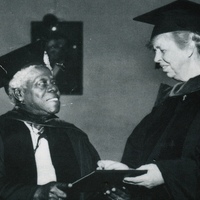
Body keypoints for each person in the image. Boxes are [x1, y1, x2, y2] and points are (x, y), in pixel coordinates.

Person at [98, 1, 200, 199]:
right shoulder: (169, 101)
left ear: (189, 48)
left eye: (162, 50)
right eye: (154, 51)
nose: (156, 59)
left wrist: (165, 174)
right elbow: (142, 154)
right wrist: (128, 173)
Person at [0, 41, 100, 200]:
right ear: (19, 94)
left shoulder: (73, 135)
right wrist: (37, 193)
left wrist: (111, 193)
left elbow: (91, 188)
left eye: (53, 82)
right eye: (42, 83)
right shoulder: (3, 131)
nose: (54, 88)